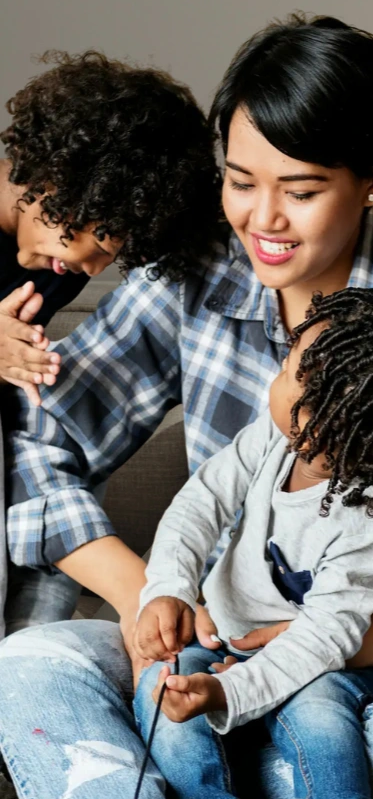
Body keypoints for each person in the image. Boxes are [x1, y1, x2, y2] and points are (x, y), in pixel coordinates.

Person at [0, 14, 373, 799]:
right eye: (241, 181)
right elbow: (38, 435)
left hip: (368, 663)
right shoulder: (196, 274)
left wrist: (339, 640)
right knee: (24, 677)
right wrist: (143, 591)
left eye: (303, 189)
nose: (262, 220)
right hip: (199, 630)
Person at [132, 286, 373, 799]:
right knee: (161, 697)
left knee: (317, 718)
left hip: (324, 661)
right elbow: (200, 502)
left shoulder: (371, 531)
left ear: (318, 426)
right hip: (225, 641)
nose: (278, 370)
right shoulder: (273, 439)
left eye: (289, 370)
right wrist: (169, 587)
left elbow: (320, 641)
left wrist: (228, 691)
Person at [0, 50, 221, 643]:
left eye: (114, 248)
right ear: (54, 175)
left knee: (54, 433)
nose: (93, 265)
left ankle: (26, 655)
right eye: (95, 235)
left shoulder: (58, 263)